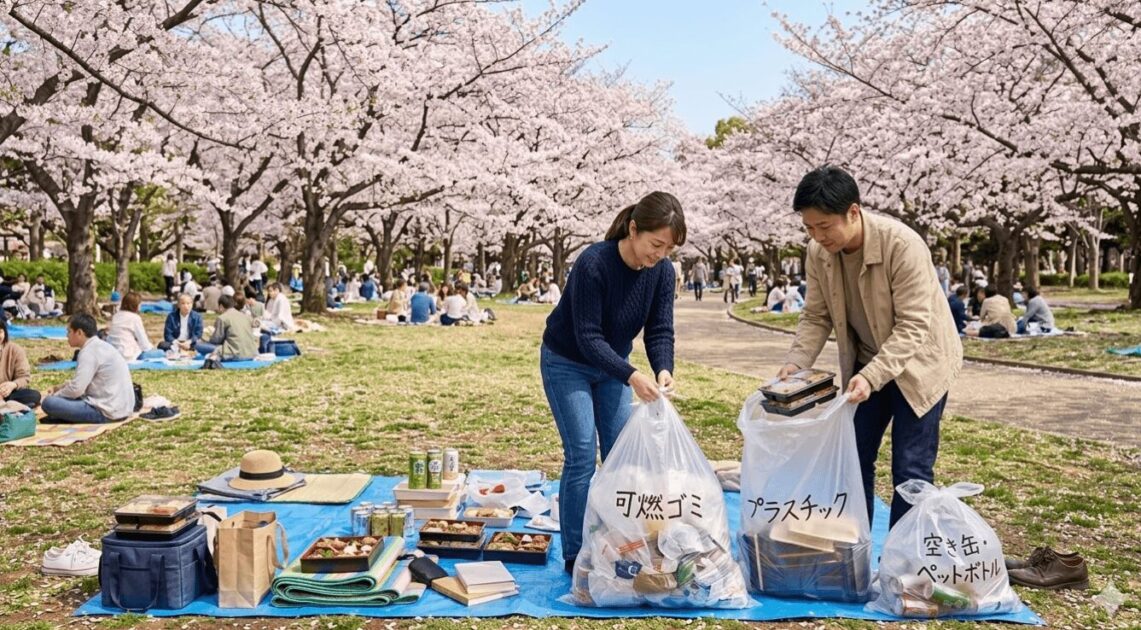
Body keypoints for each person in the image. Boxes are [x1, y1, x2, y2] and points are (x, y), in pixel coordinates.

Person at [777, 166, 962, 527]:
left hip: (920, 365)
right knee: (852, 456)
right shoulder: (817, 252)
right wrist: (795, 364)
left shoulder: (902, 245)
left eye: (825, 226)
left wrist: (871, 376)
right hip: (868, 366)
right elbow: (816, 316)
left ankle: (902, 562)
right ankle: (853, 546)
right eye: (809, 228)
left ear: (853, 212)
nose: (817, 236)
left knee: (911, 469)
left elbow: (913, 326)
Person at [541, 191, 685, 574]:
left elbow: (660, 330)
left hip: (615, 366)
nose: (659, 255)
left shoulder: (662, 272)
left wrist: (662, 369)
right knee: (582, 455)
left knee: (621, 456)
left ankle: (619, 542)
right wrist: (632, 375)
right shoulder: (594, 263)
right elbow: (587, 337)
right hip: (567, 361)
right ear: (634, 230)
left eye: (668, 249)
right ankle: (575, 555)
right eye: (655, 244)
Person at [41, 314, 135, 423]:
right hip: (123, 408)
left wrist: (56, 395)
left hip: (106, 411)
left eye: (69, 332)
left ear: (79, 333)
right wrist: (62, 387)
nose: (67, 336)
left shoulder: (88, 352)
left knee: (49, 403)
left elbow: (77, 389)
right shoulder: (103, 346)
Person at [106, 292, 163, 361]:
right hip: (127, 355)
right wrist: (151, 348)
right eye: (139, 304)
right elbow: (143, 341)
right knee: (161, 353)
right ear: (135, 305)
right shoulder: (135, 318)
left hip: (114, 353)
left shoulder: (116, 316)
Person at [201, 295, 258, 361]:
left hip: (235, 354)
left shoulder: (222, 318)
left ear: (221, 307)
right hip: (252, 353)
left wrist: (208, 336)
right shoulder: (245, 316)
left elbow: (216, 340)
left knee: (198, 345)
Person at [0, 318, 41, 407]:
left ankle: (8, 405)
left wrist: (13, 385)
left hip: (8, 394)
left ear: (4, 333)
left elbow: (24, 377)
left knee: (34, 395)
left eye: (0, 332)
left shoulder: (15, 350)